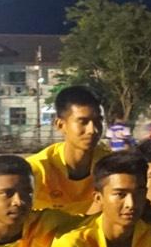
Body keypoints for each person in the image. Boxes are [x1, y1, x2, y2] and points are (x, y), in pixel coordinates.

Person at [27, 86, 108, 216]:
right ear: (60, 125)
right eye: (83, 122)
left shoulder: (110, 166)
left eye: (98, 121)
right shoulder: (36, 170)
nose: (93, 130)